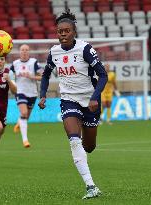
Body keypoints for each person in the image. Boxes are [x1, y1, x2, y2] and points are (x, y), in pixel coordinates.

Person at [38, 10, 108, 199]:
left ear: (74, 32)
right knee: (74, 140)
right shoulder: (54, 52)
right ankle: (91, 186)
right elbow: (45, 75)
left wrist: (94, 97)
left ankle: (85, 155)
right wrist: (42, 95)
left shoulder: (85, 49)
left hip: (90, 101)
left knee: (89, 146)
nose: (63, 34)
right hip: (69, 99)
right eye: (60, 31)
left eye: (67, 31)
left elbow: (103, 75)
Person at [10, 44, 43, 148]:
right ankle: (25, 141)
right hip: (19, 91)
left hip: (32, 93)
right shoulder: (15, 64)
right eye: (22, 50)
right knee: (24, 112)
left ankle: (19, 122)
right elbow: (9, 76)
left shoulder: (34, 62)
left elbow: (43, 76)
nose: (24, 52)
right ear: (19, 52)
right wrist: (12, 82)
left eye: (26, 50)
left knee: (26, 116)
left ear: (29, 52)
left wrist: (31, 76)